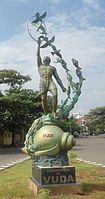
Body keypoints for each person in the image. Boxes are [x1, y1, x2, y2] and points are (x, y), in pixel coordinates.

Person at [36, 40, 66, 116]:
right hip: (42, 82)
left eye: (47, 58)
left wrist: (62, 87)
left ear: (49, 60)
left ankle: (54, 112)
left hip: (50, 82)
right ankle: (46, 113)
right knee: (43, 99)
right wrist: (38, 45)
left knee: (55, 95)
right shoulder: (40, 66)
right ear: (43, 60)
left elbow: (57, 78)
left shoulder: (52, 68)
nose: (45, 59)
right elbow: (37, 55)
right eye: (44, 58)